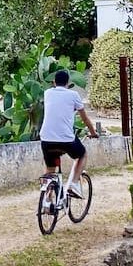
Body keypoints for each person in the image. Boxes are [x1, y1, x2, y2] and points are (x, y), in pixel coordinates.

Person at [40, 69, 98, 197]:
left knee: (50, 169)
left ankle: (47, 201)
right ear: (68, 83)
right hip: (66, 140)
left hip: (46, 139)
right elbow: (85, 119)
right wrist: (93, 132)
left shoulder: (47, 93)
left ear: (54, 82)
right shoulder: (74, 95)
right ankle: (74, 184)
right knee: (82, 155)